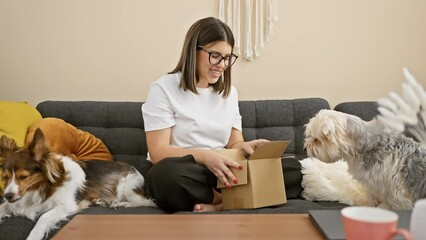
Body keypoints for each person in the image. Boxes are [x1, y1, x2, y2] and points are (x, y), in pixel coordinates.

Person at [142, 17, 301, 213]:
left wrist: (247, 147)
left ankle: (221, 204)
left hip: (223, 171)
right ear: (194, 50)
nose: (222, 64)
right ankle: (235, 200)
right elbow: (158, 153)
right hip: (188, 171)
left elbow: (234, 144)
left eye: (227, 58)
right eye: (215, 55)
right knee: (163, 176)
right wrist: (206, 156)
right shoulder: (163, 89)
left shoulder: (230, 93)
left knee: (293, 168)